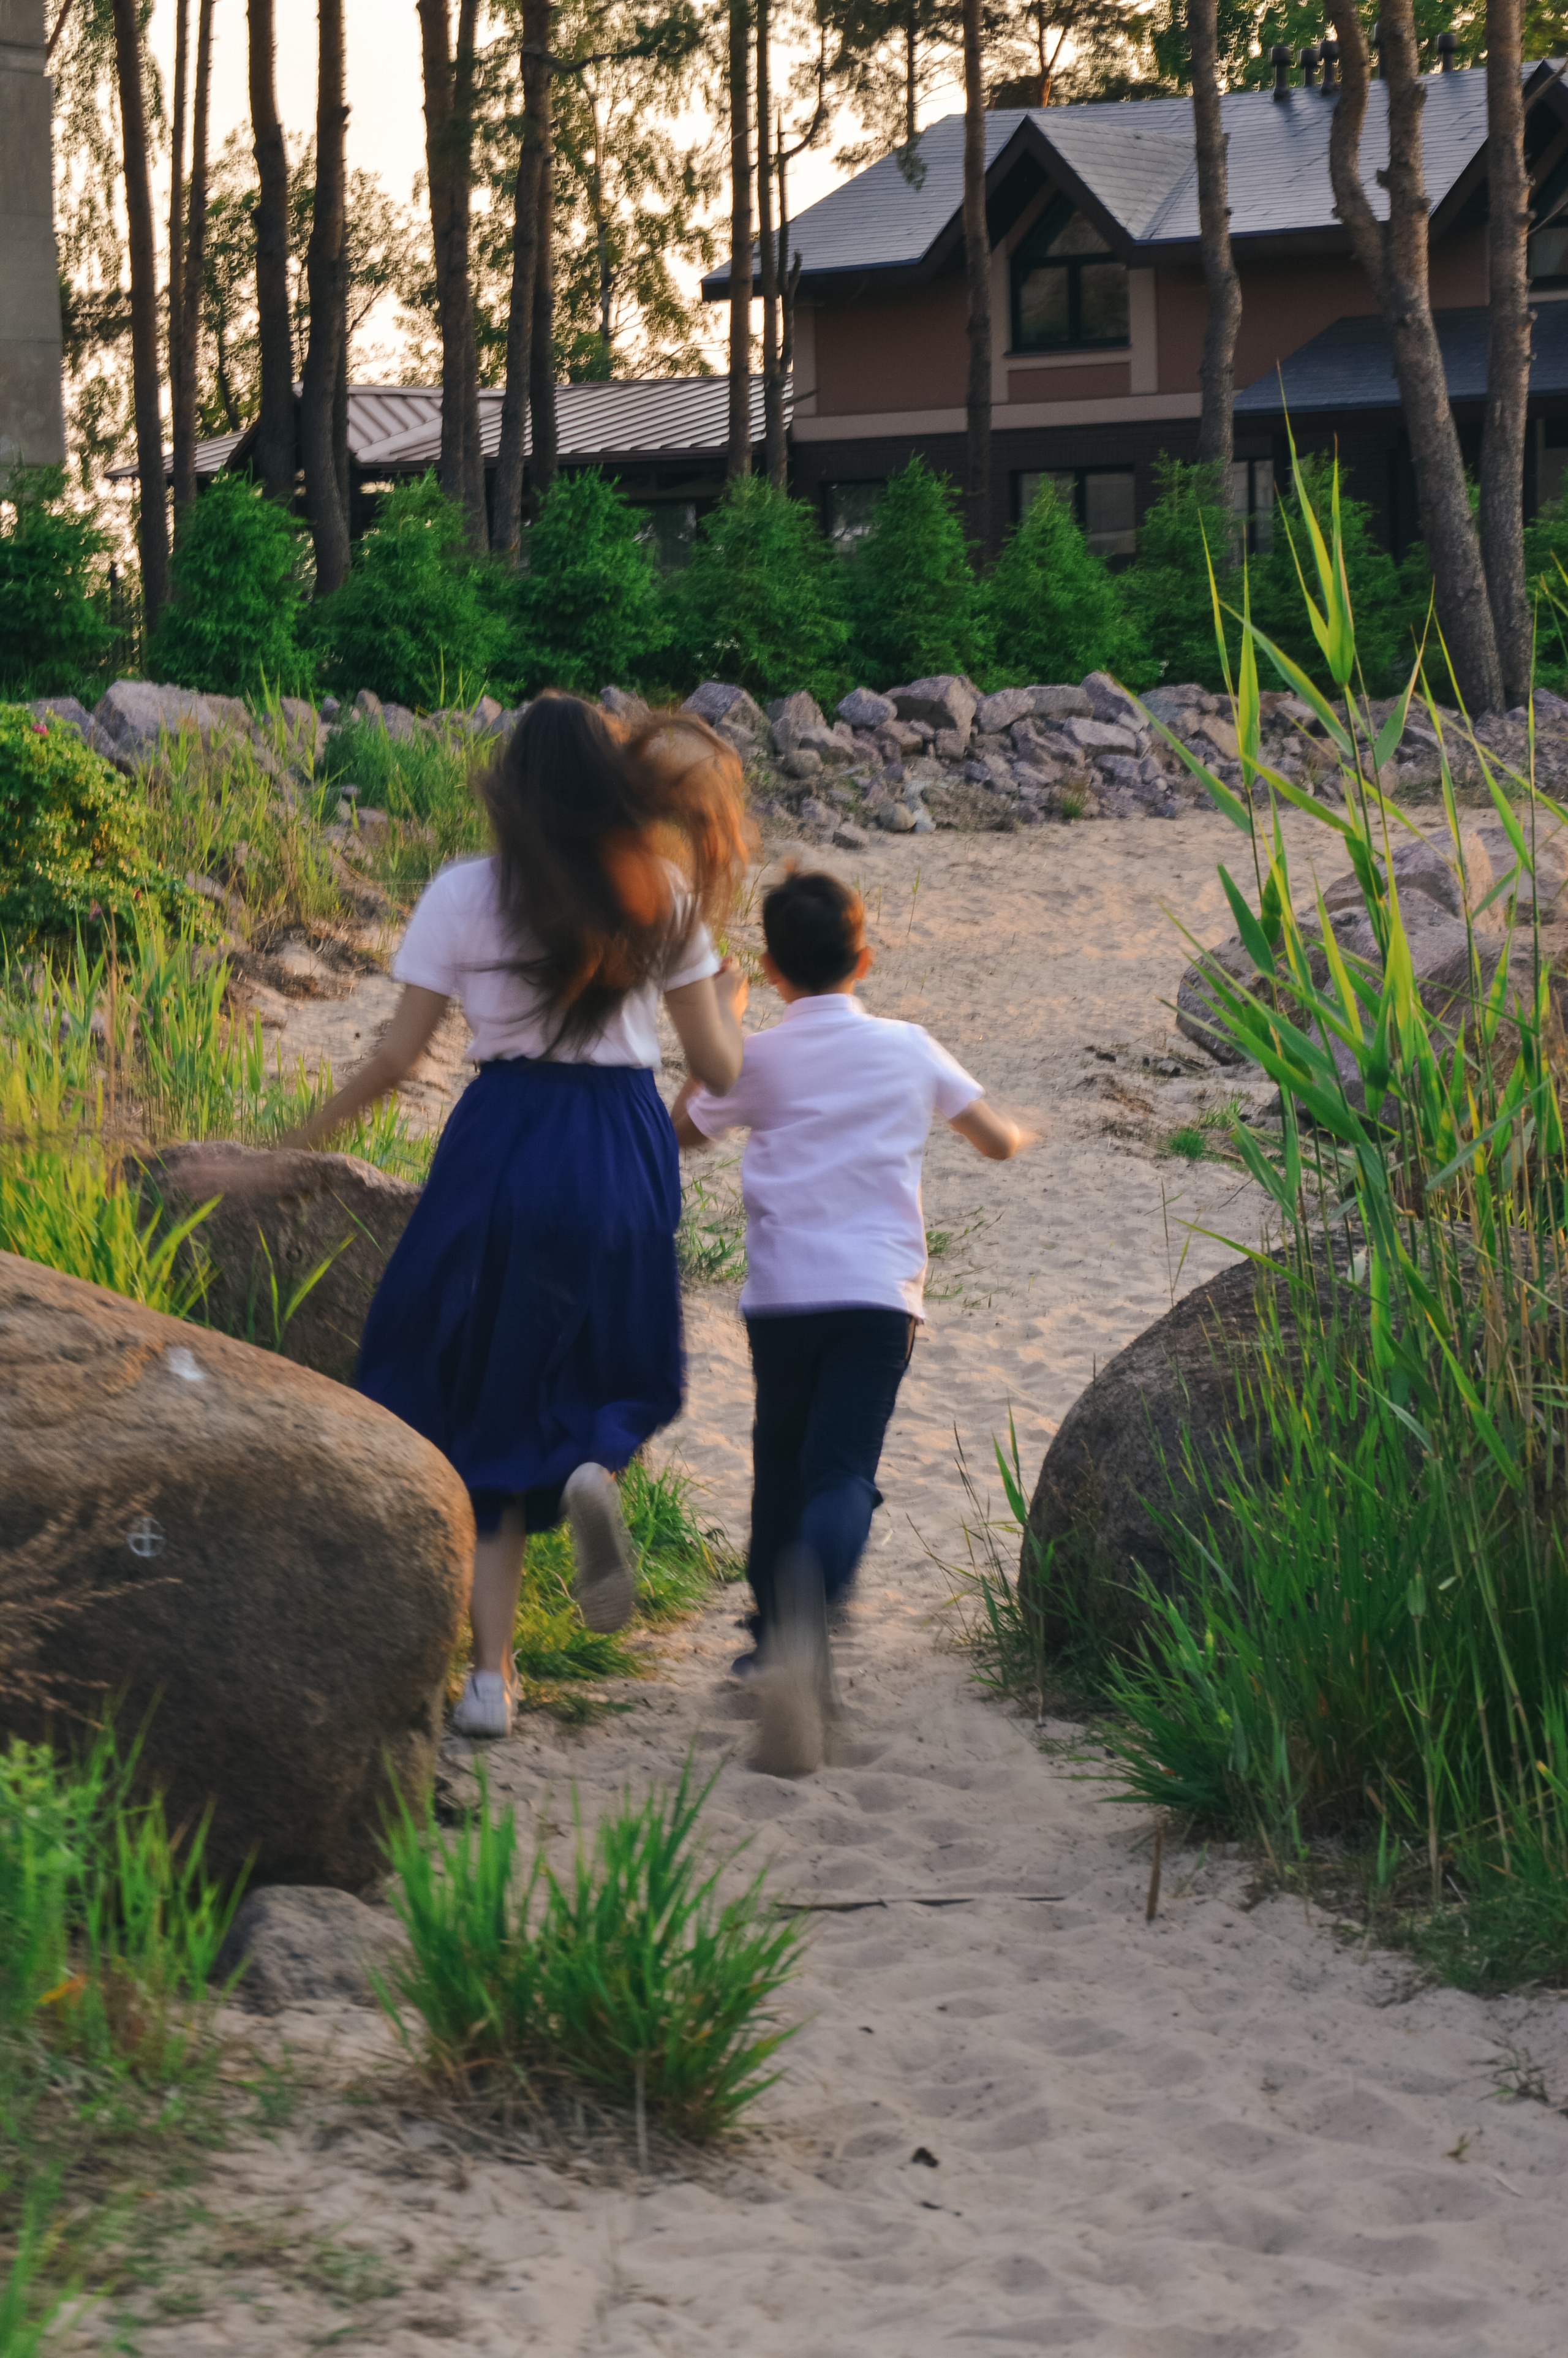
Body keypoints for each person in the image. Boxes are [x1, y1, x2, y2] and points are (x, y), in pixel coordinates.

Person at [288, 694, 752, 1739]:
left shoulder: (461, 892)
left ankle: (487, 1683)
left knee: (479, 1389)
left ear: (511, 791)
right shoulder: (665, 893)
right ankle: (592, 1467)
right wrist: (733, 1004)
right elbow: (719, 1072)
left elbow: (401, 1057)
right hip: (621, 1141)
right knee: (610, 1362)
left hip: (503, 1139)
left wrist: (296, 1138)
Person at [671, 864, 1035, 1775]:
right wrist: (1025, 1132)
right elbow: (991, 1138)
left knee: (779, 1461)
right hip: (877, 1298)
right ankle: (811, 1598)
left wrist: (720, 1017)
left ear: (771, 966)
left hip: (784, 1295)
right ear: (864, 957)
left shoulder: (757, 1055)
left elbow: (681, 1128)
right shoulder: (909, 1046)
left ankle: (768, 1642)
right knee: (842, 1471)